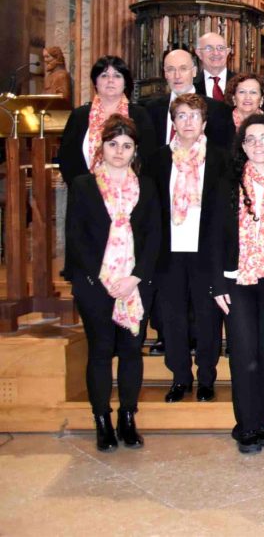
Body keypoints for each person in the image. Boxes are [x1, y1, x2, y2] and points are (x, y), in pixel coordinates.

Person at [64, 114, 161, 452]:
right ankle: (102, 419)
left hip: (136, 283)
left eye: (126, 146)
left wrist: (134, 278)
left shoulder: (147, 186)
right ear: (101, 147)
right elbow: (76, 238)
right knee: (101, 350)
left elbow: (154, 236)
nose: (119, 151)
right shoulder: (82, 185)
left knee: (132, 351)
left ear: (134, 151)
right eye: (113, 144)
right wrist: (104, 279)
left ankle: (127, 417)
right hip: (95, 283)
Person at [144, 94, 231, 404]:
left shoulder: (221, 159)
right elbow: (149, 210)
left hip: (207, 252)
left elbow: (227, 212)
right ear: (173, 122)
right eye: (181, 116)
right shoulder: (156, 160)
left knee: (208, 318)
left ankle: (206, 377)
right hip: (168, 252)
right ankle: (180, 377)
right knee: (173, 318)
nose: (188, 122)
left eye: (194, 116)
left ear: (204, 122)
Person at [211, 115, 264, 454]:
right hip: (237, 280)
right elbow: (209, 237)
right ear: (242, 146)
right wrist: (216, 283)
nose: (258, 144)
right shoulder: (226, 183)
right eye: (250, 139)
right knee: (243, 353)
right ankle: (246, 424)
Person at [58, 56, 157, 186]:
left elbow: (148, 158)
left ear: (125, 82)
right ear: (95, 82)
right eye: (104, 76)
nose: (110, 81)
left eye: (117, 75)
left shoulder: (140, 115)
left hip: (130, 192)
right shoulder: (79, 116)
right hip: (86, 193)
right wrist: (86, 187)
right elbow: (67, 159)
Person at [143, 48, 233, 149]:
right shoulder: (151, 109)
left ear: (194, 72)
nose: (177, 76)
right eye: (171, 69)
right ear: (165, 74)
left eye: (183, 69)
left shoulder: (217, 109)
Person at [193, 32, 234, 102]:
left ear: (227, 52)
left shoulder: (241, 83)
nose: (215, 53)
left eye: (220, 48)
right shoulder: (191, 85)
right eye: (209, 48)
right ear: (199, 53)